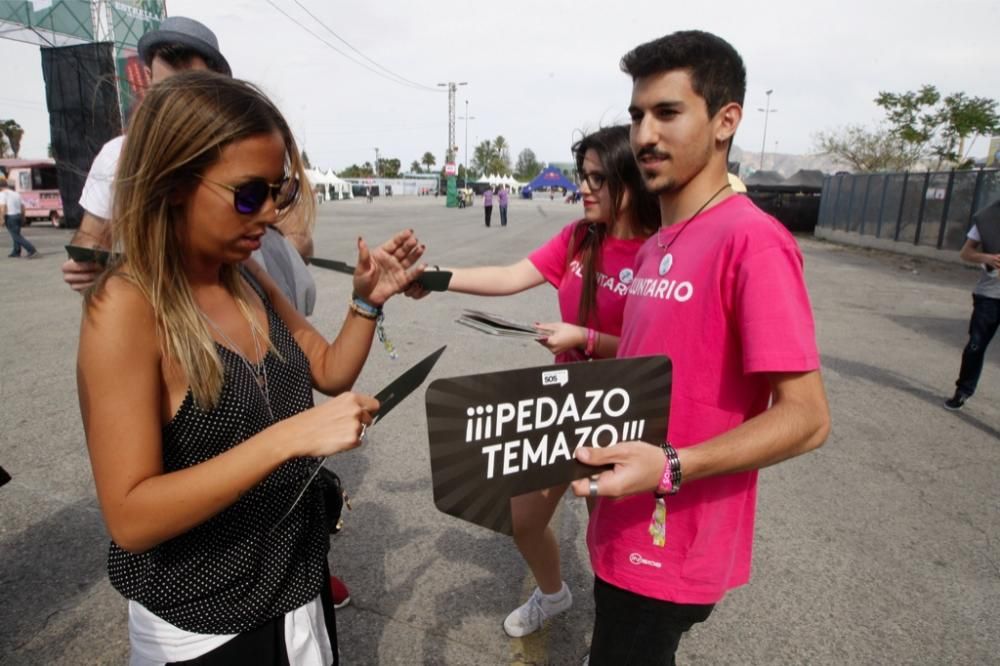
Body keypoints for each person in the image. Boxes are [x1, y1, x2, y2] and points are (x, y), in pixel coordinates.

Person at [76, 71, 424, 665]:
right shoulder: (126, 308)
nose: (269, 214)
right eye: (248, 194)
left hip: (295, 588)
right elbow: (131, 516)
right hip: (207, 627)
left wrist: (368, 300)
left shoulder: (247, 277)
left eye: (279, 192)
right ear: (175, 182)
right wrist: (289, 438)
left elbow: (328, 368)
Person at [568, 31, 830, 664]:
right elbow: (658, 360)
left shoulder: (753, 242)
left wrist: (671, 466)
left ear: (725, 121)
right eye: (636, 116)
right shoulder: (661, 239)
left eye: (667, 112)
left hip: (670, 543)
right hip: (619, 518)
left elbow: (807, 418)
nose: (645, 135)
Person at [408, 125, 659, 637]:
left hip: (621, 409)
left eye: (597, 178)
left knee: (610, 539)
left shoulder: (658, 253)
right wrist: (432, 277)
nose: (583, 188)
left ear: (629, 181)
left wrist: (584, 337)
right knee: (523, 519)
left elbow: (658, 354)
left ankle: (616, 645)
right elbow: (508, 276)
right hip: (563, 405)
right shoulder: (577, 238)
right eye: (580, 176)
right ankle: (554, 595)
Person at [62, 16, 232, 292]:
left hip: (231, 304)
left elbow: (287, 225)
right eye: (164, 87)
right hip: (152, 311)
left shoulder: (239, 149)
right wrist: (85, 262)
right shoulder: (119, 155)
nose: (173, 99)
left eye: (189, 86)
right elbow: (91, 238)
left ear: (217, 85)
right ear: (150, 83)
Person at [943, 198, 1000, 410]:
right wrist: (986, 258)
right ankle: (963, 390)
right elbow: (965, 253)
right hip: (989, 296)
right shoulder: (988, 220)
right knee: (975, 346)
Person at [0, 178, 38, 258]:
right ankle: (16, 251)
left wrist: (1, 218)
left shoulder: (2, 194)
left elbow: (3, 207)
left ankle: (31, 249)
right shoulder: (16, 194)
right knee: (16, 234)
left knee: (16, 236)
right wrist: (23, 217)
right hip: (18, 215)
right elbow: (22, 206)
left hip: (10, 216)